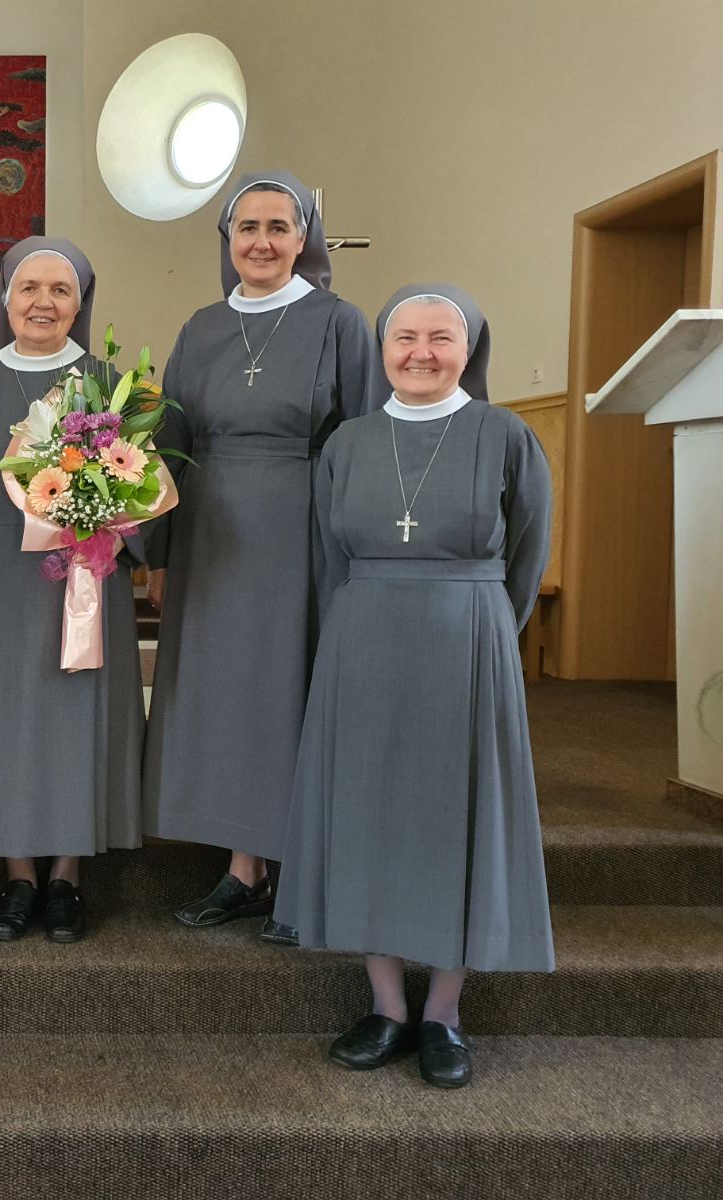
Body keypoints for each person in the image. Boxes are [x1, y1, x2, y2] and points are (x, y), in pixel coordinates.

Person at [276, 283, 554, 1089]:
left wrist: (483, 627)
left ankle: (445, 1014)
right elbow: (329, 558)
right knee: (368, 814)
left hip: (467, 641)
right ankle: (387, 1004)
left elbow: (526, 556)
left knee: (453, 816)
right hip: (363, 640)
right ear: (383, 348)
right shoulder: (348, 442)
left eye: (441, 338)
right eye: (405, 338)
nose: (421, 353)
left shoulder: (506, 435)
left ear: (470, 348)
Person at [143, 171, 378, 944]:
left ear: (303, 238)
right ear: (228, 238)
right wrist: (159, 553)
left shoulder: (340, 323)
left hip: (303, 530)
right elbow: (169, 445)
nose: (263, 242)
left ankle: (300, 872)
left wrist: (360, 553)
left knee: (292, 693)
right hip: (211, 534)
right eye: (248, 227)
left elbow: (365, 440)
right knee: (229, 698)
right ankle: (244, 869)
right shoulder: (201, 328)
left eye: (279, 227)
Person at [0, 236, 142, 942]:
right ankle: (18, 873)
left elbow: (146, 491)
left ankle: (67, 877)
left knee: (76, 718)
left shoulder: (114, 387)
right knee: (7, 719)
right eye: (29, 288)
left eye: (60, 290)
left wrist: (112, 524)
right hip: (1, 576)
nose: (43, 303)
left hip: (88, 576)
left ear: (80, 304)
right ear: (5, 299)